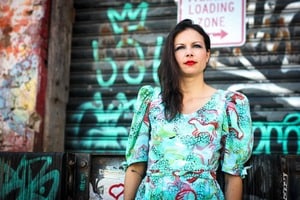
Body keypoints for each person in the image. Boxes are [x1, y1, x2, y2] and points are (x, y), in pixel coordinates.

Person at [123, 19, 253, 200]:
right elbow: (135, 167)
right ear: (172, 55)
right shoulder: (151, 101)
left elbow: (233, 176)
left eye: (196, 46)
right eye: (180, 47)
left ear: (207, 55)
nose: (189, 53)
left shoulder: (229, 104)